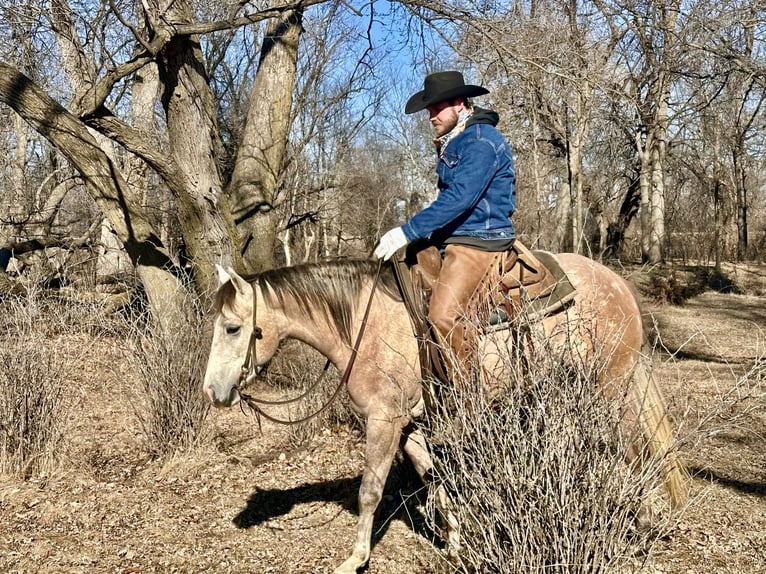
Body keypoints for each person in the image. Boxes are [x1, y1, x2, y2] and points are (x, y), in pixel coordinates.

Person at [374, 70, 516, 382]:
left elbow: (460, 199)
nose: (431, 116)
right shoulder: (457, 140)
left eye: (437, 108)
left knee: (443, 315)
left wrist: (407, 231)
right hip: (454, 237)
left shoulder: (481, 142)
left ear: (460, 104)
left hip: (480, 240)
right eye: (429, 109)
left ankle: (469, 399)